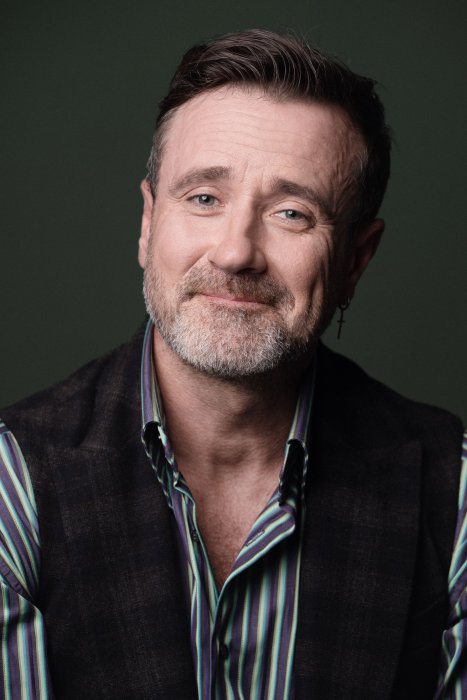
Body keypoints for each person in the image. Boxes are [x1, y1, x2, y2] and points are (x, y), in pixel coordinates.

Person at [0, 29, 465, 699]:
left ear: (355, 261)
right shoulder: (11, 486)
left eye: (291, 213)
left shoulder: (453, 493)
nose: (236, 252)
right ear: (147, 223)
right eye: (204, 199)